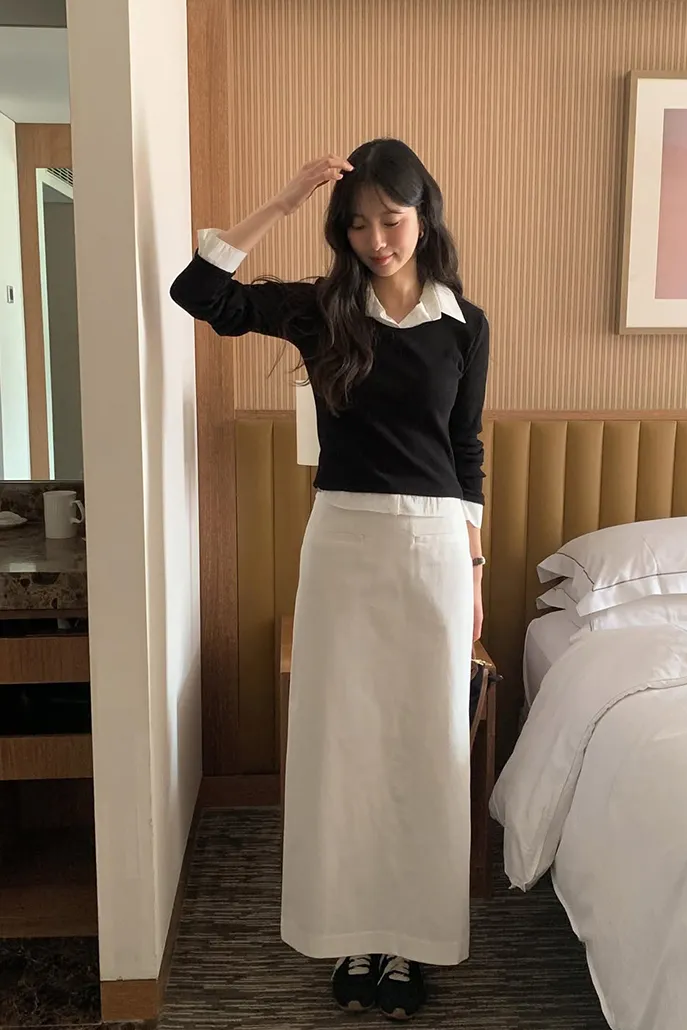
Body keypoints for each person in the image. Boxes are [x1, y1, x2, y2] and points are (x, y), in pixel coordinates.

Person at [170, 138, 490, 1021]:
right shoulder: (321, 309)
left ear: (424, 215)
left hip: (434, 549)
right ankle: (352, 932)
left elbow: (465, 452)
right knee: (342, 742)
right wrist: (281, 201)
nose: (376, 240)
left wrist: (473, 572)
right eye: (356, 225)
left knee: (423, 746)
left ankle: (411, 940)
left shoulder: (464, 323)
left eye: (392, 220)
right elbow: (199, 293)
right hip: (343, 542)